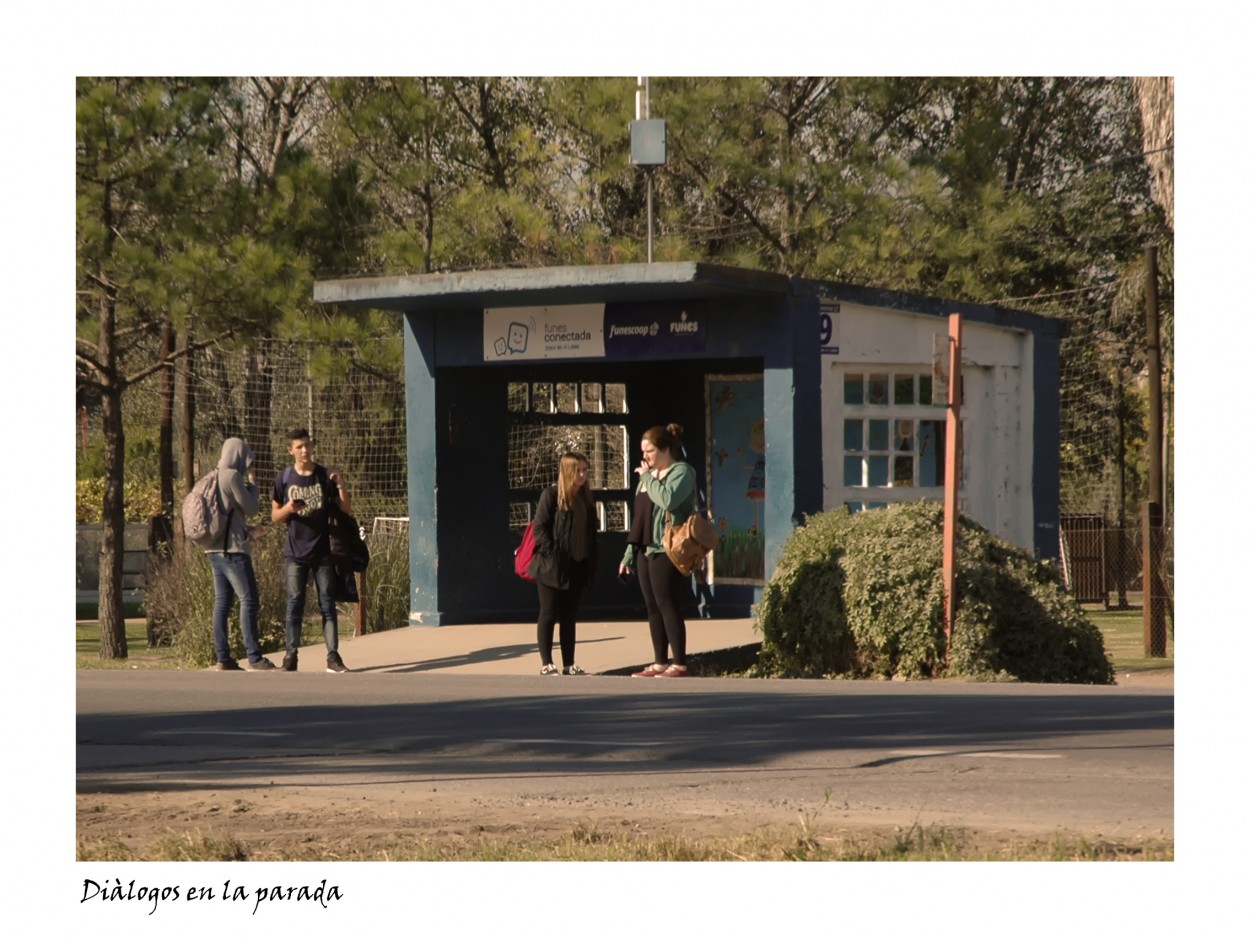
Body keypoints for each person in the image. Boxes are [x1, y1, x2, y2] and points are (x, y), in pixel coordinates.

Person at [619, 423, 697, 677]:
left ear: (665, 449)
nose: (645, 457)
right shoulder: (647, 478)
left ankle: (680, 662)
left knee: (667, 602)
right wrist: (629, 554)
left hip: (668, 547)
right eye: (643, 451)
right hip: (645, 547)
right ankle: (660, 661)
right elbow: (639, 517)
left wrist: (647, 477)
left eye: (650, 451)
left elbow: (668, 499)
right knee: (651, 605)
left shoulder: (682, 472)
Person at [271, 428, 351, 673]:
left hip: (322, 553)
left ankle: (333, 657)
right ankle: (290, 657)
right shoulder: (283, 478)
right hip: (295, 554)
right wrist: (289, 509)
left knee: (327, 604)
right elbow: (275, 516)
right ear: (291, 450)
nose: (305, 450)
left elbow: (345, 508)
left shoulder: (325, 476)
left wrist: (342, 485)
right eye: (299, 447)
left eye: (307, 445)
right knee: (294, 604)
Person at [526, 452, 598, 675]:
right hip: (552, 566)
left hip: (578, 564)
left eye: (585, 470)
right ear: (567, 471)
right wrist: (553, 554)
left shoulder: (586, 499)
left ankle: (569, 663)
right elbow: (540, 529)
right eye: (578, 470)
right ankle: (547, 663)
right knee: (548, 613)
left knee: (569, 616)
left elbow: (590, 534)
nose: (583, 475)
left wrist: (591, 562)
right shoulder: (551, 495)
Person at [206, 437, 274, 671]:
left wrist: (249, 531)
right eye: (247, 458)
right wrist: (253, 482)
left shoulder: (212, 476)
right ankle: (254, 656)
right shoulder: (232, 476)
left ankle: (223, 657)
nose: (249, 464)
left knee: (222, 604)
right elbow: (252, 508)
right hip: (234, 552)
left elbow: (229, 514)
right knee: (249, 600)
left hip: (214, 549)